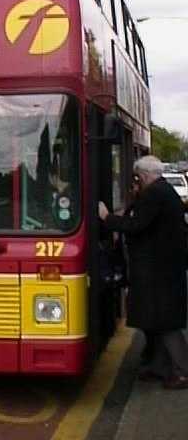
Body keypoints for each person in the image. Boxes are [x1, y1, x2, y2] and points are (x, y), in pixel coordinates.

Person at [98, 155, 188, 389]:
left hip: (159, 271)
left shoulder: (155, 194)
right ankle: (159, 367)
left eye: (137, 177)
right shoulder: (164, 191)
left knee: (166, 323)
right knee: (157, 320)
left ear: (145, 175)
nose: (136, 181)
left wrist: (108, 218)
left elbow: (136, 225)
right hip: (164, 269)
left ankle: (182, 372)